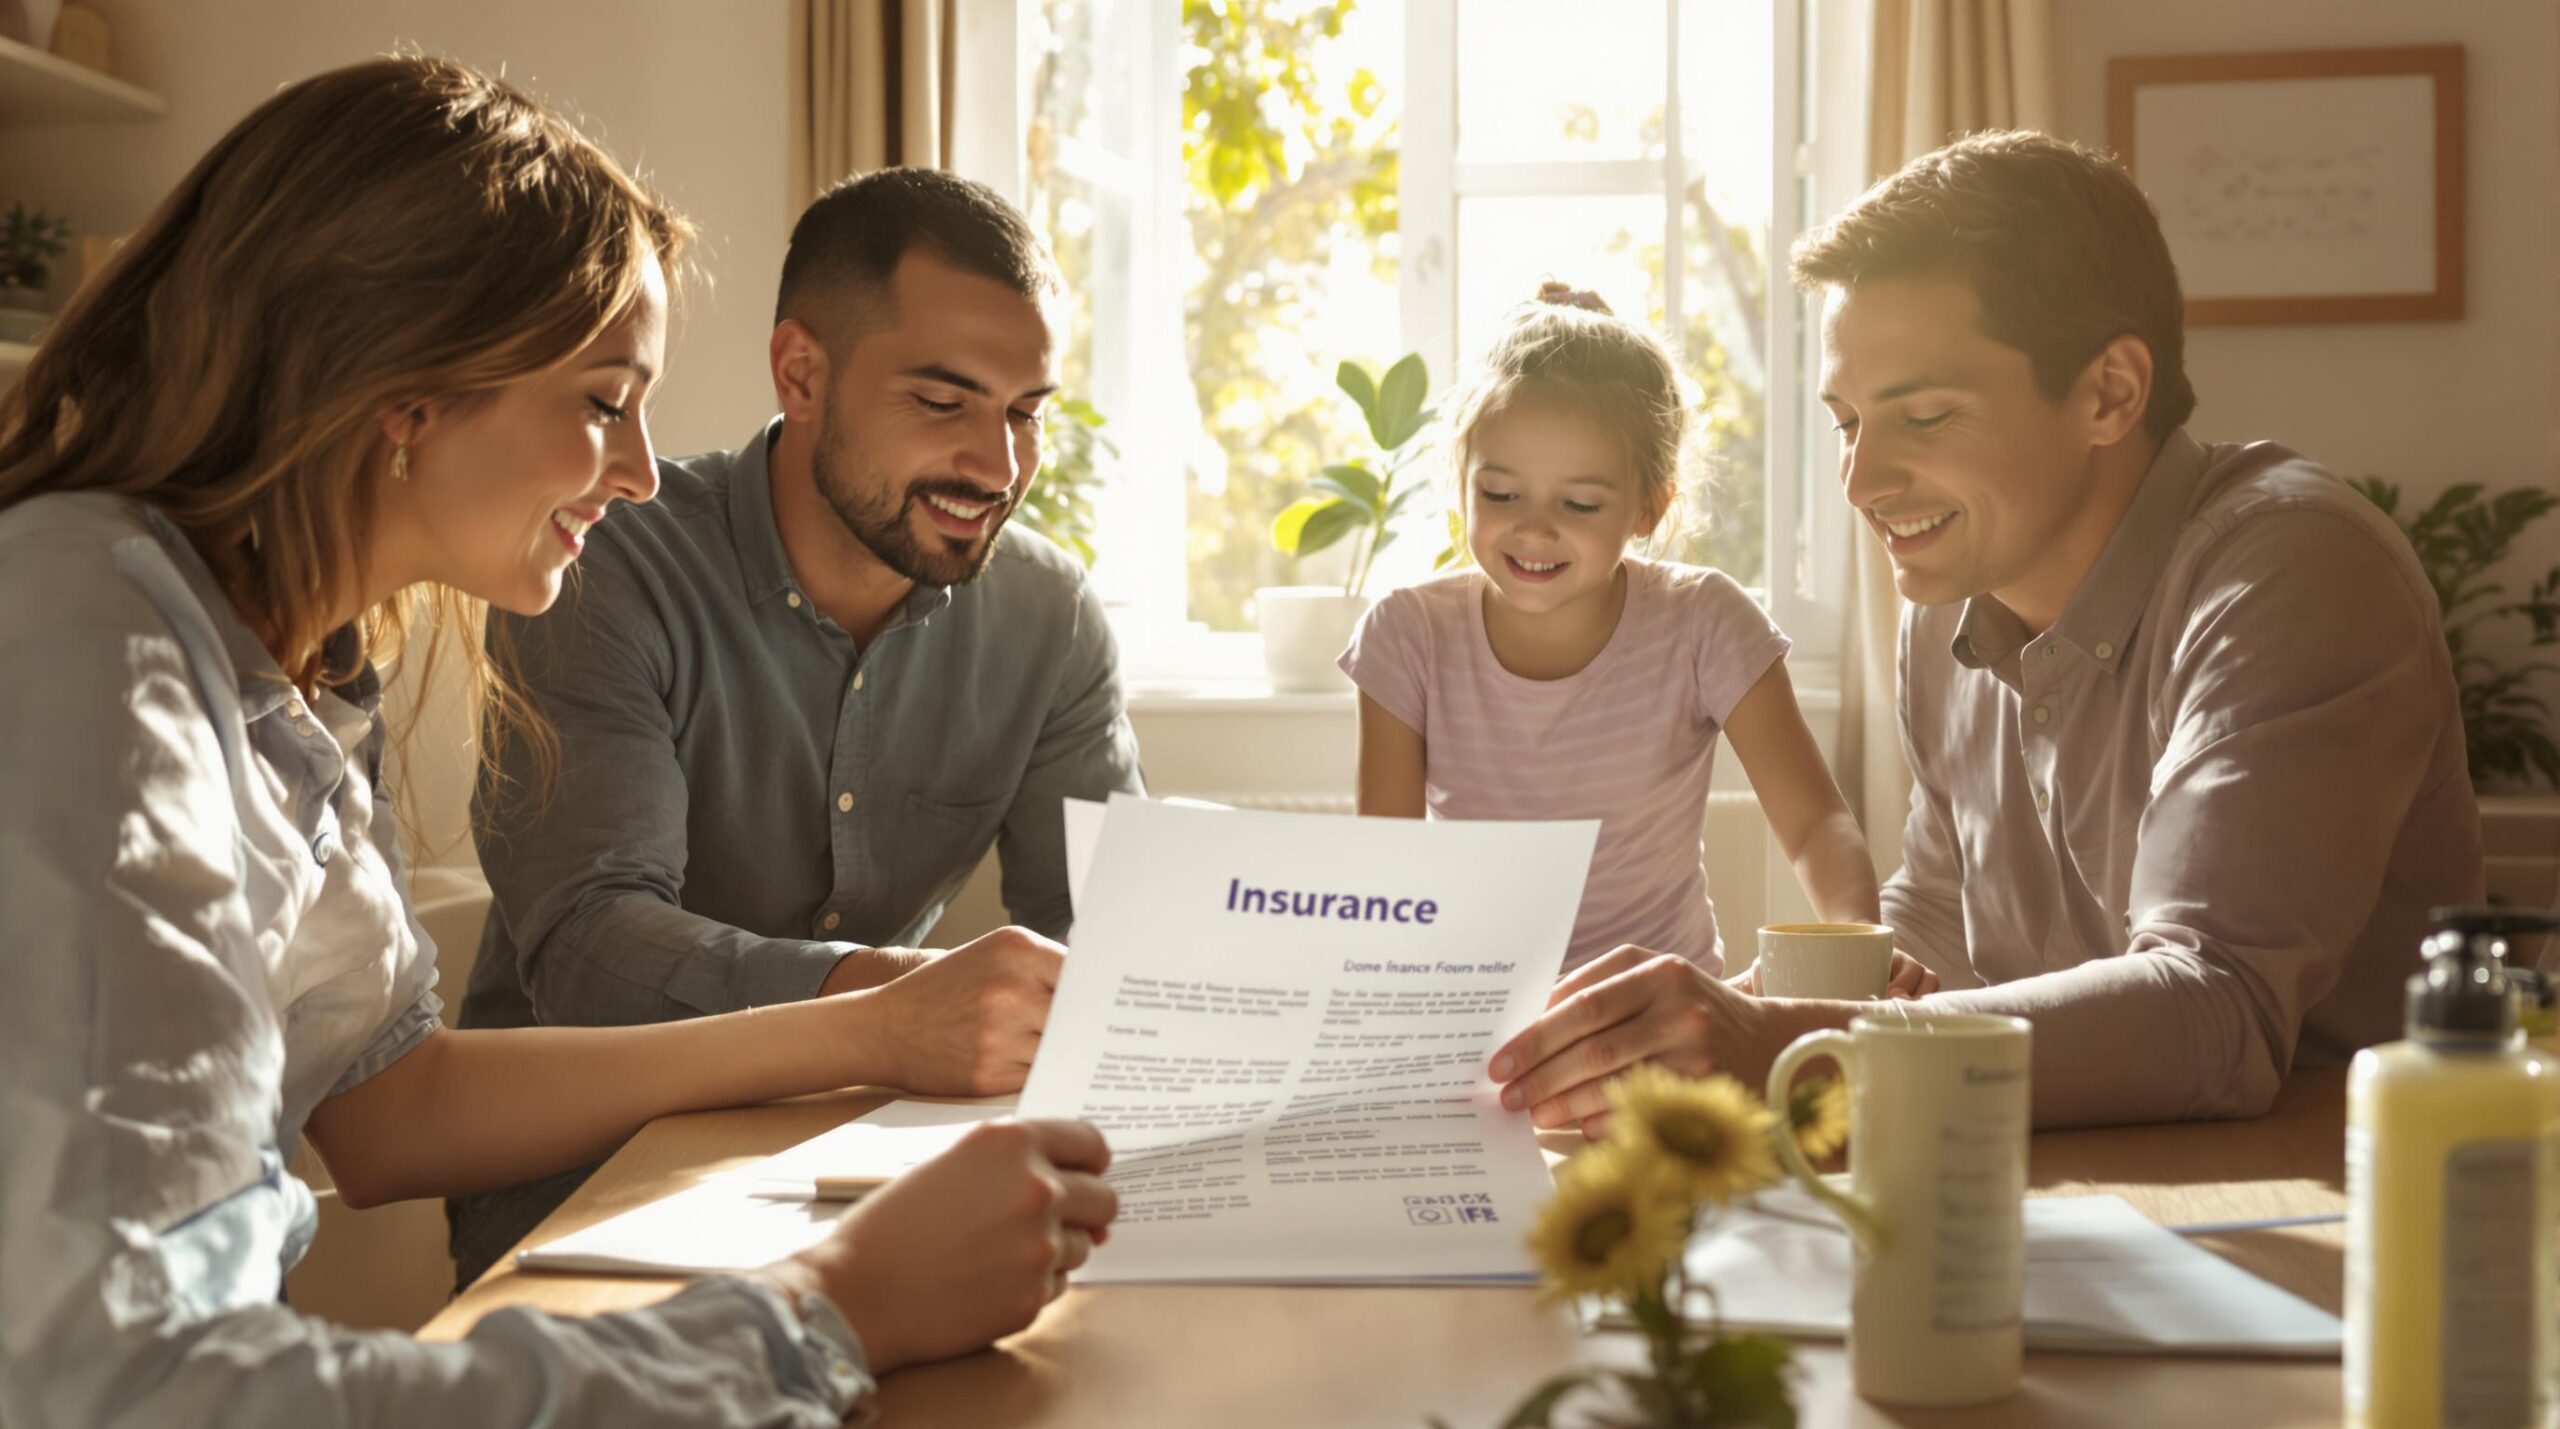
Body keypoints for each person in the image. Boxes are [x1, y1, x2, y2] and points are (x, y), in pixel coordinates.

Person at [0, 57, 1115, 1427]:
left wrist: (874, 1028)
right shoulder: (94, 645)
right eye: (602, 402)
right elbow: (124, 1391)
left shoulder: (288, 669)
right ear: (403, 381)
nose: (640, 470)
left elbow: (392, 1105)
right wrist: (825, 1309)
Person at [1489, 131, 2481, 1133]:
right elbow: (1933, 929)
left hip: (2327, 1189)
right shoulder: (1947, 612)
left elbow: (2212, 1007)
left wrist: (1786, 1044)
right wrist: (1724, 1016)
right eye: (1846, 422)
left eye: (1923, 417)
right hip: (2086, 1180)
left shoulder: (2294, 569)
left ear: (2109, 392)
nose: (1860, 483)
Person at [447, 166, 1145, 1283]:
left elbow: (1108, 940)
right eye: (943, 403)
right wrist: (894, 1001)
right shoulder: (603, 561)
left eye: (1024, 413)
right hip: (585, 1182)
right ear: (801, 373)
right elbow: (590, 951)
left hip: (876, 1159)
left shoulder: (1047, 616)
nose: (999, 466)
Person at [1340, 282, 1933, 994]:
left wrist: (1854, 948)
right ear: (1459, 482)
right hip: (1472, 1014)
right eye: (1499, 494)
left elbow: (1814, 823)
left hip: (1660, 1020)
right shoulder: (1406, 635)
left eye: (1579, 504)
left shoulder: (1703, 620)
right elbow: (1387, 874)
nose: (1534, 528)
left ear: (1649, 507)